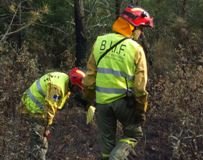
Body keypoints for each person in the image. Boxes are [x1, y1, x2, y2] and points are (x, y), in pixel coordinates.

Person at [82, 5, 154, 160]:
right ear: (132, 27)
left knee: (107, 146)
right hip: (123, 103)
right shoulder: (135, 48)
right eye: (141, 28)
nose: (141, 33)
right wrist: (141, 110)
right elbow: (140, 87)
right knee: (134, 134)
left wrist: (89, 99)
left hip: (101, 103)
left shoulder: (99, 42)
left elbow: (88, 79)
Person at [18, 67, 85, 160]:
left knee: (33, 141)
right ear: (74, 84)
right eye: (78, 88)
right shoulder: (57, 87)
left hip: (32, 105)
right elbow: (50, 107)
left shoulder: (64, 79)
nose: (79, 91)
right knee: (40, 144)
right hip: (34, 109)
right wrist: (47, 126)